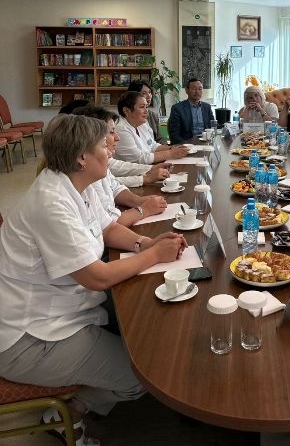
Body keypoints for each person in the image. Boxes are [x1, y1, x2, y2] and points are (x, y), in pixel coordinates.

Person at [0, 114, 187, 445]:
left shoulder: (72, 184)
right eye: (104, 144)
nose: (111, 149)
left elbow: (106, 228)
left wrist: (145, 244)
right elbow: (96, 277)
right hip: (30, 338)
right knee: (142, 374)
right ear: (81, 158)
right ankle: (71, 412)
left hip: (61, 313)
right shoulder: (51, 203)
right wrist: (154, 256)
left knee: (144, 324)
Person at [74, 105, 168, 227]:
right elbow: (109, 224)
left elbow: (115, 187)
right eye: (111, 132)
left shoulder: (97, 165)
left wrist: (138, 201)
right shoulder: (88, 174)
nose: (117, 138)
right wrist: (144, 210)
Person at [114, 91, 188, 164]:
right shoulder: (121, 129)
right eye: (142, 107)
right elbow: (138, 158)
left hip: (148, 167)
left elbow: (152, 146)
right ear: (126, 111)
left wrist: (172, 148)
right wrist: (170, 153)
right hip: (134, 170)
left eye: (146, 107)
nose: (146, 111)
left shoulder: (142, 123)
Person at [168, 78, 214, 144]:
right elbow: (174, 135)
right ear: (187, 90)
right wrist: (187, 144)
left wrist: (226, 125)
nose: (197, 92)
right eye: (194, 89)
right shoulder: (177, 108)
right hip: (188, 144)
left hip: (206, 142)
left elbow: (213, 126)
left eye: (200, 89)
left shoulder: (207, 107)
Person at [128, 79, 167, 144]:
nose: (149, 96)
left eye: (149, 92)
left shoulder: (155, 116)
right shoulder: (128, 119)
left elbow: (164, 138)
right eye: (144, 93)